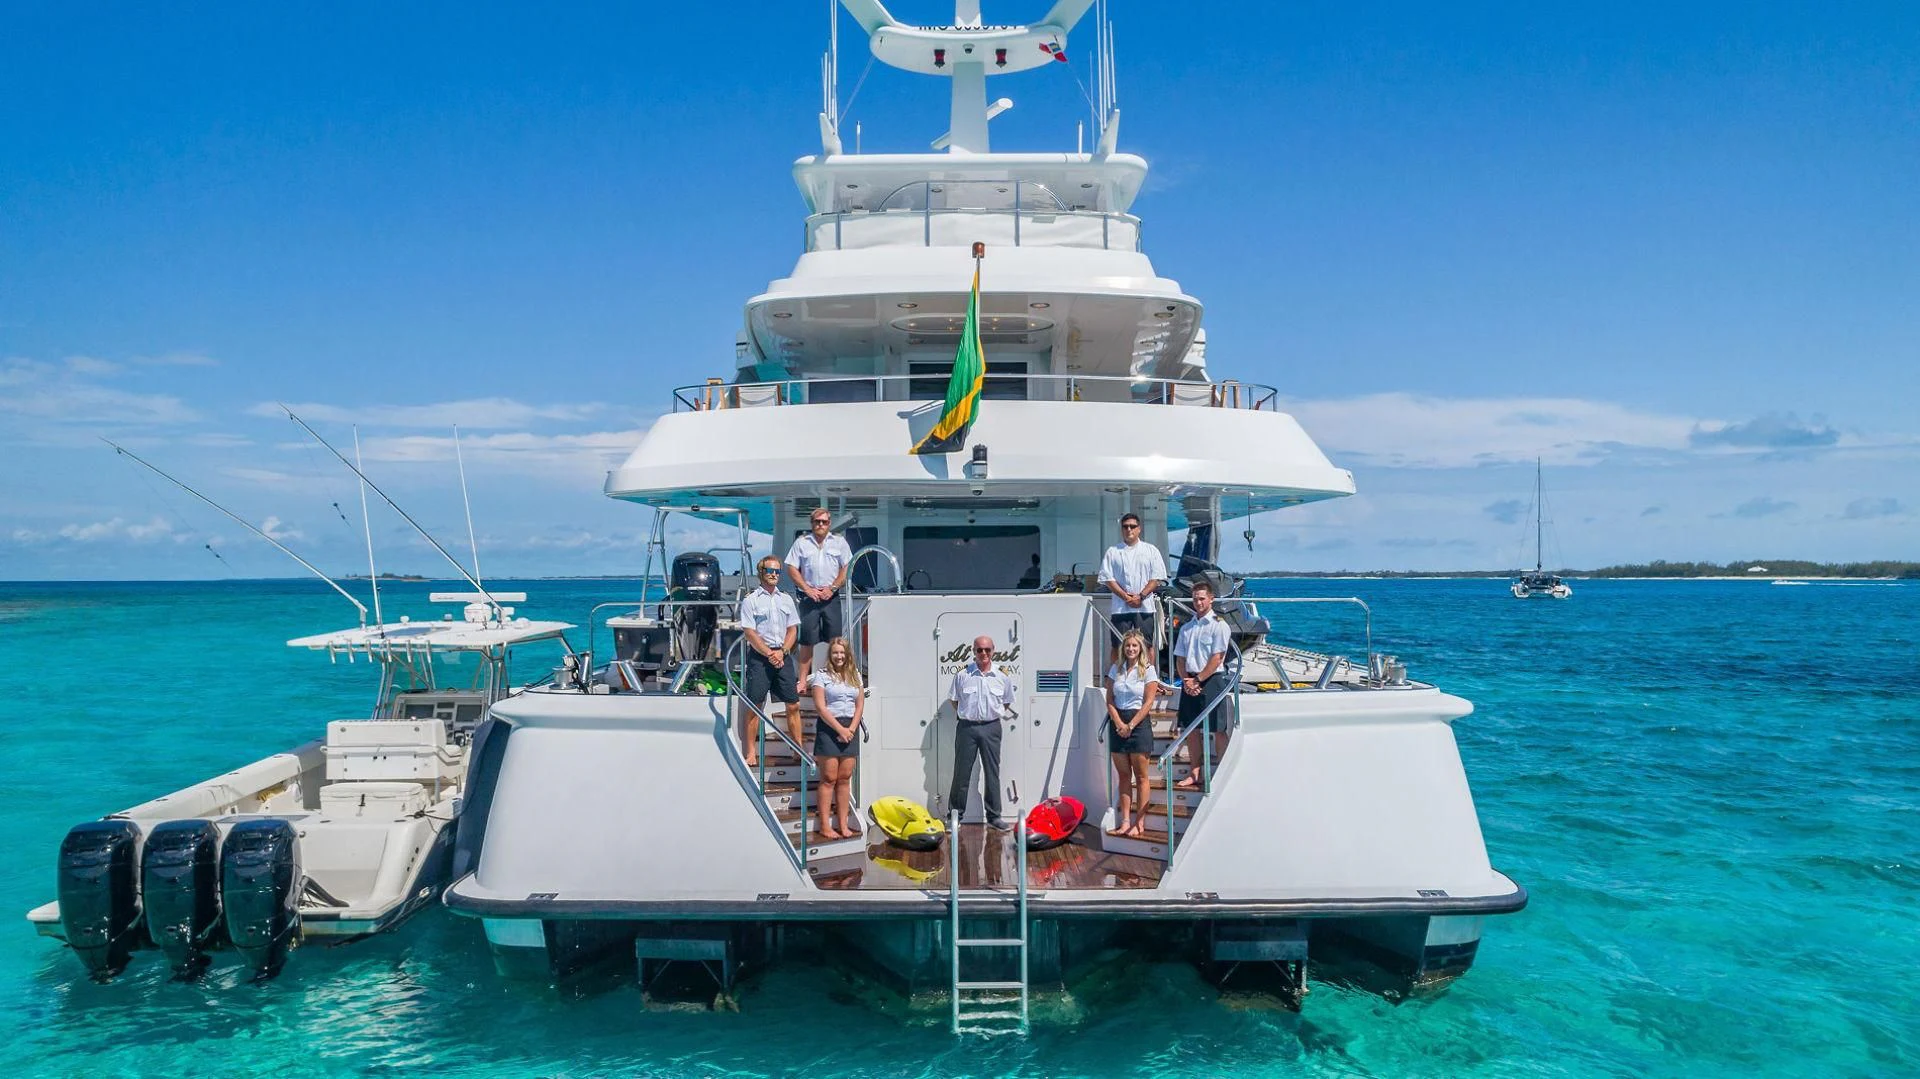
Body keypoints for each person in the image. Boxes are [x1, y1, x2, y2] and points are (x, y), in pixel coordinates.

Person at [948, 635, 1017, 830]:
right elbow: (954, 700)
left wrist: (990, 714)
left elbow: (1006, 700)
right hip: (967, 728)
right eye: (979, 650)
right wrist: (968, 714)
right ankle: (955, 816)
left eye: (987, 649)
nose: (983, 653)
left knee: (992, 772)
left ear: (993, 650)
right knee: (961, 773)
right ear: (974, 652)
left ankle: (994, 817)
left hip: (991, 727)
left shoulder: (1002, 676)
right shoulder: (963, 675)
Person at [738, 555, 801, 768]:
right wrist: (769, 653)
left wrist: (782, 651)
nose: (774, 574)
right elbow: (750, 632)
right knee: (755, 706)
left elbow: (792, 629)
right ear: (761, 573)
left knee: (793, 704)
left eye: (777, 571)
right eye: (770, 571)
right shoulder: (751, 600)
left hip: (783, 656)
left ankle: (797, 748)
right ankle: (751, 752)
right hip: (760, 658)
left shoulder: (786, 599)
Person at [1173, 579, 1233, 791]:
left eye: (1201, 598)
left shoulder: (1219, 625)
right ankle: (1195, 771)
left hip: (1211, 680)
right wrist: (1187, 681)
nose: (1198, 602)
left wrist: (1198, 680)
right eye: (1195, 599)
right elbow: (1179, 658)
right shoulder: (1187, 628)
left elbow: (1217, 657)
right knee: (1191, 729)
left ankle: (1222, 772)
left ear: (1211, 599)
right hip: (1189, 681)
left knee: (1218, 729)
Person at [785, 507, 854, 676]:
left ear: (829, 524)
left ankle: (837, 676)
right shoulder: (801, 542)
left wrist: (832, 588)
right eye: (817, 521)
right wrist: (808, 589)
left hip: (831, 597)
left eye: (824, 522)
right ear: (812, 523)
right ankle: (802, 680)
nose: (821, 524)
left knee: (835, 640)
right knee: (807, 640)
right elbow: (792, 568)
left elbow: (847, 567)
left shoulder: (839, 542)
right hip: (809, 598)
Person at [808, 637, 864, 841]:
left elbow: (859, 706)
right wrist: (840, 729)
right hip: (829, 728)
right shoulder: (821, 676)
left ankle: (842, 824)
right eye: (835, 653)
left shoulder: (855, 676)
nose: (839, 656)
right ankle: (824, 825)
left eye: (842, 652)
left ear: (847, 654)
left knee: (844, 778)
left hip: (850, 727)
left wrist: (851, 728)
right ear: (830, 655)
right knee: (829, 778)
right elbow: (821, 707)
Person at [1105, 629, 1159, 838]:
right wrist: (1119, 722)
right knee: (1124, 775)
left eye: (1135, 646)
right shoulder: (1115, 669)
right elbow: (1109, 699)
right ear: (1123, 648)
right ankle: (1125, 821)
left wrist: (1131, 725)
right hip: (1118, 723)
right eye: (1128, 645)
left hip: (1139, 725)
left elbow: (1148, 702)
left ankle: (1140, 822)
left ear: (1140, 649)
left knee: (1142, 777)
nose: (1131, 649)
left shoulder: (1149, 671)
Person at [1097, 513, 1168, 659]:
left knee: (1147, 644)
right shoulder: (1113, 552)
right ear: (1121, 529)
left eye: (1132, 526)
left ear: (1139, 529)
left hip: (1145, 606)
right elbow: (1108, 578)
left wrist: (1140, 597)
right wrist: (1125, 597)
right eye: (1125, 527)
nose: (1129, 529)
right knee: (1118, 644)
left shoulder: (1151, 550)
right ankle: (1117, 677)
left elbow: (1156, 578)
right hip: (1120, 608)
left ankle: (1148, 678)